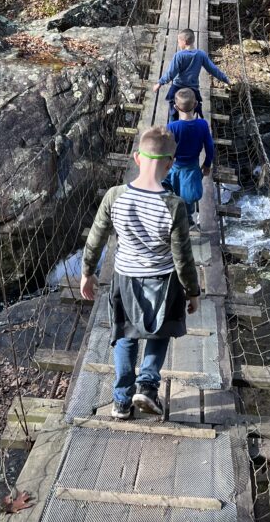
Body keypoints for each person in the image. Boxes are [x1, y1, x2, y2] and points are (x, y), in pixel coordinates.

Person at [80, 125, 200, 420]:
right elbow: (182, 257)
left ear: (136, 158)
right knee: (160, 333)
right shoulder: (174, 206)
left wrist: (88, 272)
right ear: (170, 164)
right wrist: (192, 291)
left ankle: (121, 401)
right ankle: (147, 387)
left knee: (124, 336)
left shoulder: (114, 196)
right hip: (164, 281)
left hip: (125, 280)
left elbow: (96, 237)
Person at [152, 27, 230, 122]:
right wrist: (225, 79)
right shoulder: (201, 54)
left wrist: (159, 83)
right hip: (192, 89)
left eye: (179, 41)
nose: (178, 43)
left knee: (173, 112)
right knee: (190, 114)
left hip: (178, 87)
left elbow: (171, 73)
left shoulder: (179, 55)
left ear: (184, 42)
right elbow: (213, 69)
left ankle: (172, 130)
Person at [163, 88, 215, 226]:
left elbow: (166, 150)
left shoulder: (171, 127)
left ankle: (172, 216)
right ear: (196, 104)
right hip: (192, 168)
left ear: (175, 107)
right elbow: (210, 147)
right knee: (189, 197)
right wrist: (207, 164)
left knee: (169, 189)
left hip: (175, 167)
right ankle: (189, 219)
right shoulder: (202, 125)